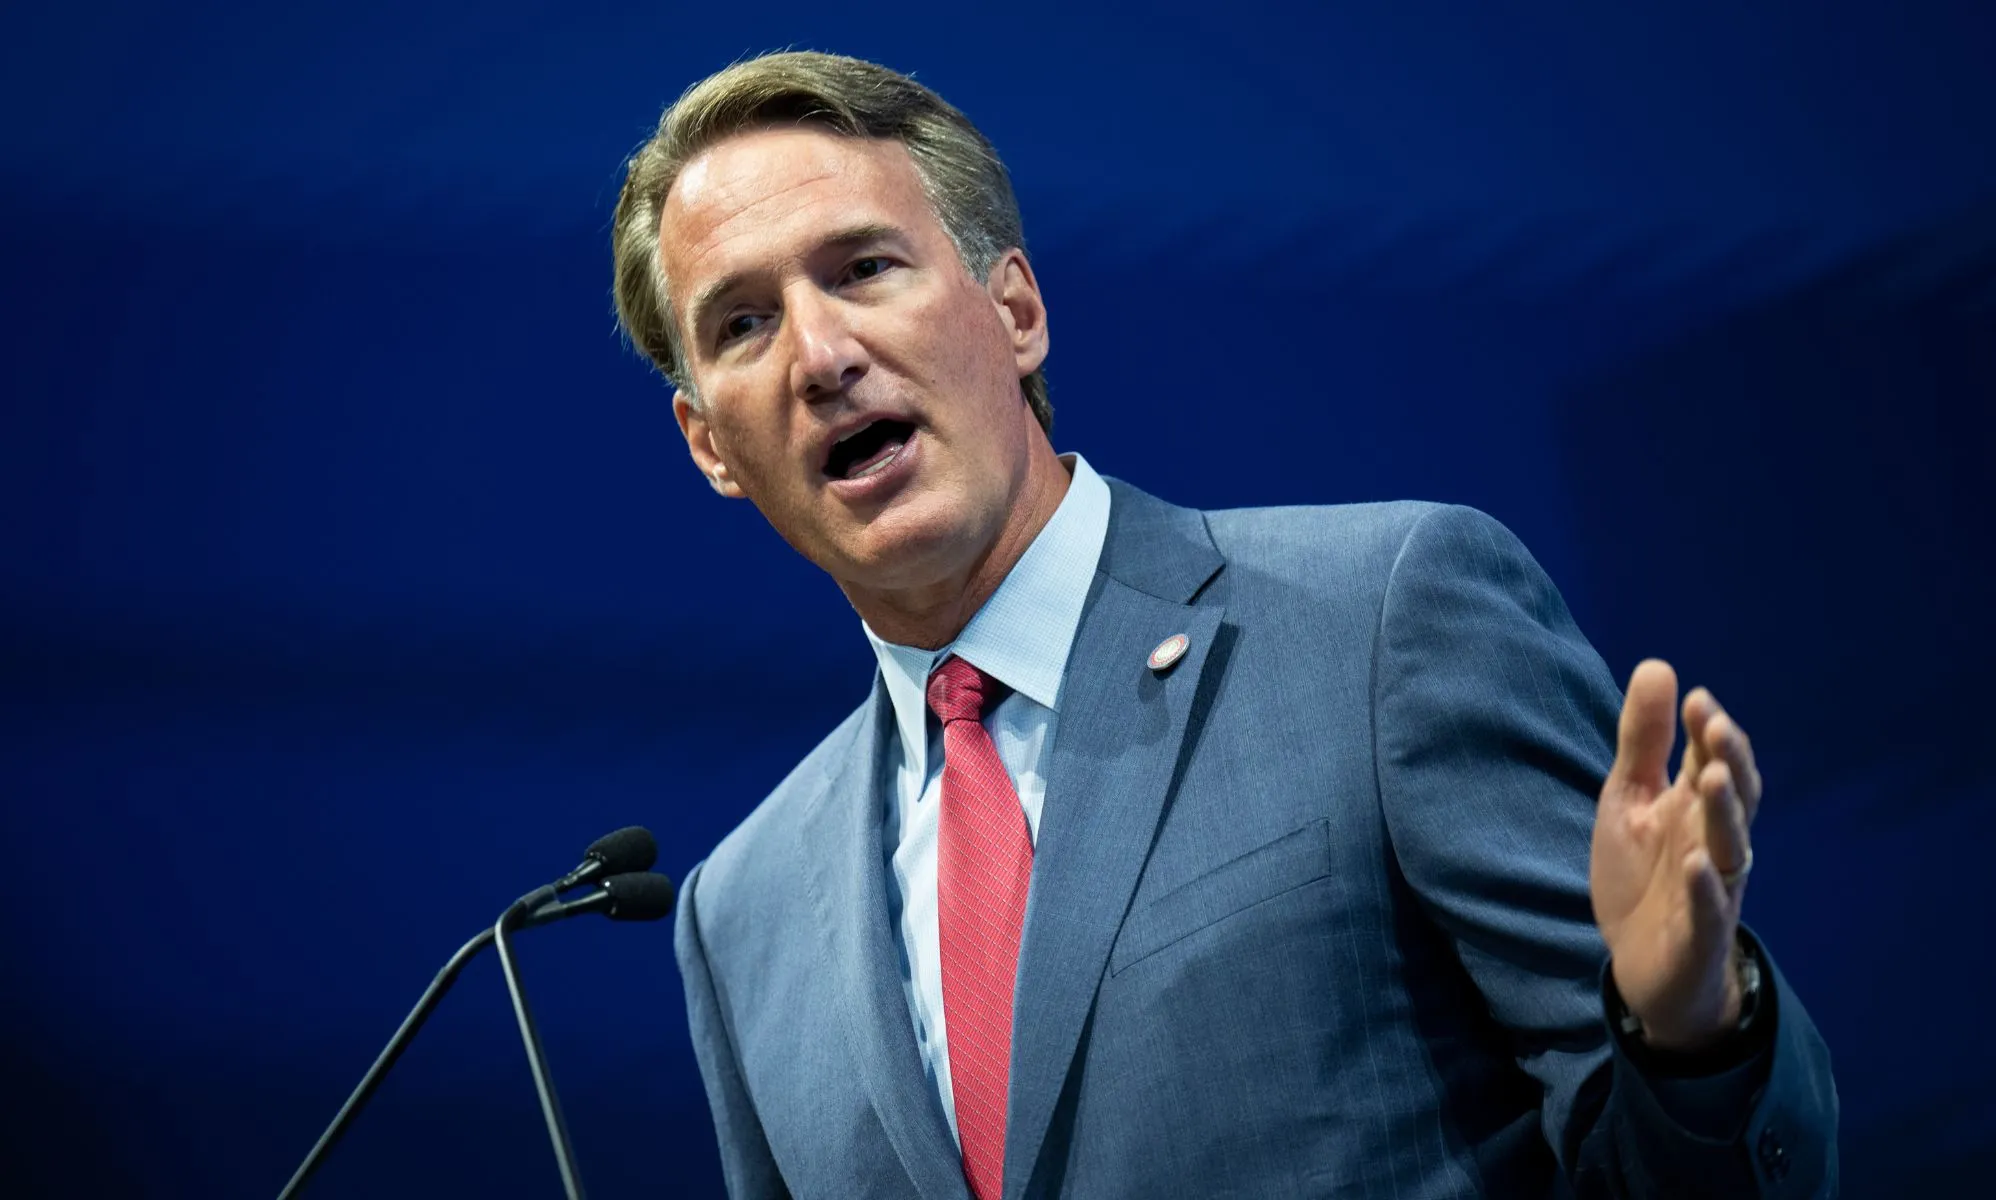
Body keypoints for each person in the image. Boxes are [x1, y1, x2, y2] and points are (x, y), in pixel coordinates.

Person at [609, 50, 1837, 1200]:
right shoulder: (741, 920)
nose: (819, 355)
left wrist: (1688, 1032)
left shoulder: (1379, 623)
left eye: (864, 268)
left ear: (1015, 311)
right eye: (743, 325)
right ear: (710, 444)